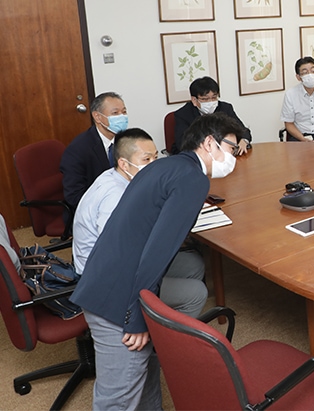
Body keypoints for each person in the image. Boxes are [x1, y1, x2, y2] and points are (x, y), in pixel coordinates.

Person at [70, 113, 245, 409]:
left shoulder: (167, 165)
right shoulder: (192, 178)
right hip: (115, 299)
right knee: (118, 397)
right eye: (231, 147)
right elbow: (157, 252)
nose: (234, 156)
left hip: (110, 280)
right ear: (210, 143)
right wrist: (137, 318)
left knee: (147, 377)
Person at [72, 128, 206, 318]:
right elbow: (120, 251)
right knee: (196, 292)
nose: (154, 164)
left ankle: (159, 318)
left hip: (116, 263)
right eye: (146, 159)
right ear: (124, 164)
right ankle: (164, 338)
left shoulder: (116, 176)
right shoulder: (116, 195)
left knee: (193, 264)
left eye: (155, 157)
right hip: (106, 278)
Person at [60, 92, 128, 216]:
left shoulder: (126, 141)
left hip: (123, 202)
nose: (122, 117)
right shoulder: (77, 150)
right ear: (97, 117)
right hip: (94, 211)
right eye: (115, 113)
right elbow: (74, 195)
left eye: (124, 112)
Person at [171, 76, 252, 155]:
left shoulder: (225, 108)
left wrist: (243, 140)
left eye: (214, 97)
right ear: (194, 100)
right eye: (205, 99)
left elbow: (243, 131)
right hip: (198, 158)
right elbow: (182, 144)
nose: (210, 102)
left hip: (224, 155)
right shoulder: (183, 114)